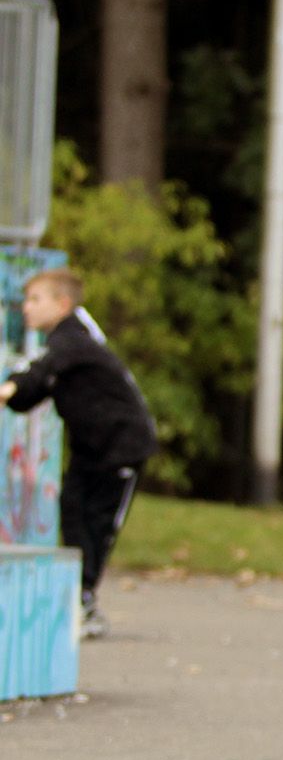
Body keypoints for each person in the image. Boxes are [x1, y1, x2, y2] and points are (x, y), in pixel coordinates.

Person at [0, 269, 157, 638]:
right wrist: (14, 392)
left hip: (122, 446)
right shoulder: (63, 344)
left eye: (36, 300)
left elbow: (38, 372)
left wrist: (10, 387)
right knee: (72, 512)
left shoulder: (73, 338)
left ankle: (84, 601)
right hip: (90, 450)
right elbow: (30, 392)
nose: (26, 308)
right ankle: (74, 597)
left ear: (63, 303)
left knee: (99, 523)